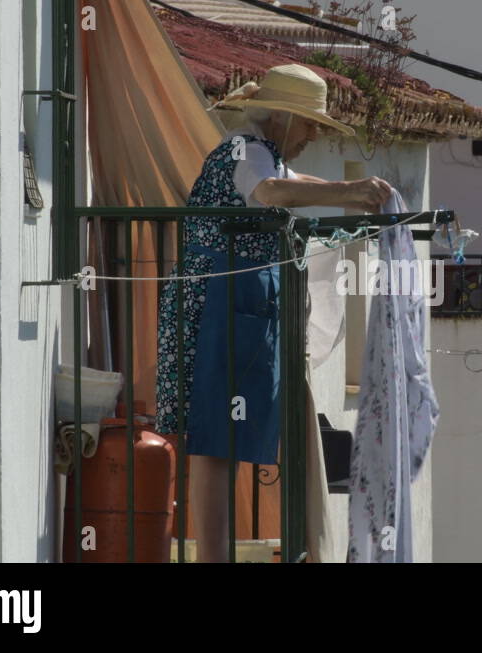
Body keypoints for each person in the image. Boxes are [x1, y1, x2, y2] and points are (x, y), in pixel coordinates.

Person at [155, 64, 391, 562]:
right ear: (282, 118)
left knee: (221, 434)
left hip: (232, 301)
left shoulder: (262, 153)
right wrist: (348, 192)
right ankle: (213, 558)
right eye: (309, 125)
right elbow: (270, 192)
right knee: (215, 438)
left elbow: (289, 179)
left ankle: (214, 556)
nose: (312, 135)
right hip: (221, 301)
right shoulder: (248, 152)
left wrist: (347, 191)